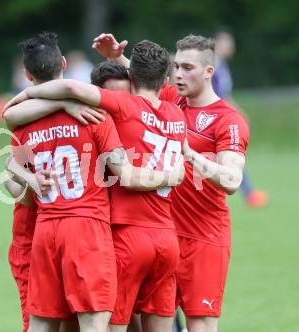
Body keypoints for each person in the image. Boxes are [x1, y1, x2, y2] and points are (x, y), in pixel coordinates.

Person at [3, 32, 184, 332]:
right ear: (64, 64)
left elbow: (15, 184)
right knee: (96, 323)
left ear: (26, 73)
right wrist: (171, 175)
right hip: (88, 232)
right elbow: (125, 171)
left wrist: (26, 176)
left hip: (42, 234)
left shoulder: (22, 124)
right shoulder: (99, 118)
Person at [92, 33, 249, 332]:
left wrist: (190, 155)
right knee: (137, 316)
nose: (178, 74)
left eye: (188, 68)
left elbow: (232, 179)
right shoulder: (172, 100)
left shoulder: (227, 119)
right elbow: (145, 83)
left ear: (209, 71)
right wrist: (117, 59)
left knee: (199, 324)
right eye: (176, 66)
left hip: (204, 238)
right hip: (163, 235)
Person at [213, 30, 268, 208]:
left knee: (230, 157)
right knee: (230, 156)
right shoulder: (213, 66)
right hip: (215, 120)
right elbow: (218, 97)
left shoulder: (223, 66)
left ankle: (249, 193)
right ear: (216, 43)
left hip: (222, 117)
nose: (230, 46)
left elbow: (226, 94)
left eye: (231, 43)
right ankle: (249, 194)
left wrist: (239, 111)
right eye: (226, 42)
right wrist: (236, 112)